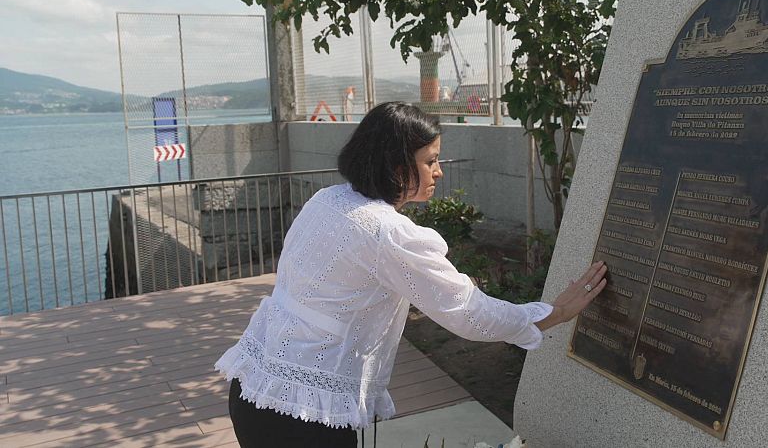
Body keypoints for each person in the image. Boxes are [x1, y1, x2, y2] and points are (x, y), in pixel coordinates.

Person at [215, 101, 608, 447]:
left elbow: (341, 284)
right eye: (430, 160)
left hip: (257, 388)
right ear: (398, 167)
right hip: (304, 417)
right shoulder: (389, 232)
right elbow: (470, 315)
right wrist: (553, 312)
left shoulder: (328, 199)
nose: (438, 172)